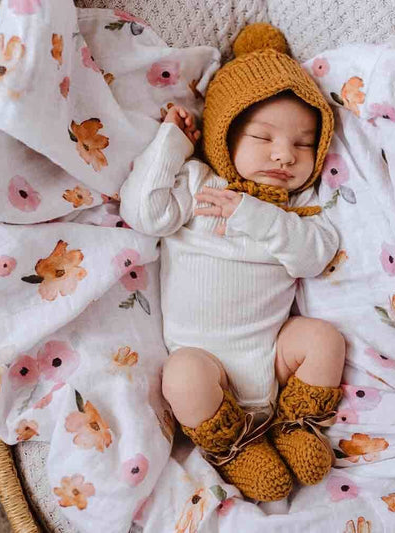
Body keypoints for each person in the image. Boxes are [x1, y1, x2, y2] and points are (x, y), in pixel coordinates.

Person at [120, 23, 346, 502]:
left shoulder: (294, 211)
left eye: (304, 144)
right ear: (224, 136)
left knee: (323, 338)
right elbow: (142, 212)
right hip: (208, 371)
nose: (285, 154)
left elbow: (314, 256)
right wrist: (171, 143)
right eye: (264, 137)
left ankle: (297, 426)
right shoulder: (198, 184)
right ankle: (234, 449)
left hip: (274, 363)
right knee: (180, 374)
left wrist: (255, 215)